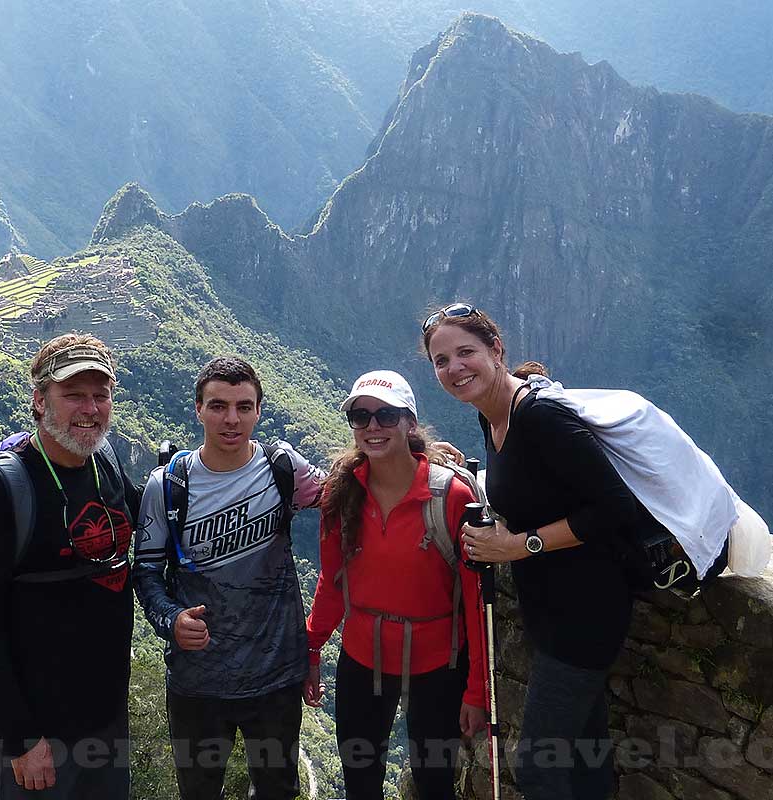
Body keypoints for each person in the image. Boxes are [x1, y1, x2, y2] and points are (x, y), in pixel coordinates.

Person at [422, 303, 669, 800]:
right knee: (583, 756)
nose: (454, 368)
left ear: (496, 350)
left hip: (586, 615)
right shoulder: (491, 419)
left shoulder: (539, 416)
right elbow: (532, 489)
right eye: (441, 360)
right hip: (551, 613)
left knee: (538, 768)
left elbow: (615, 506)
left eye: (465, 352)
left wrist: (519, 545)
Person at [0, 333, 139, 800]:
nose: (90, 408)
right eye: (73, 394)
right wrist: (18, 737)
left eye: (101, 395)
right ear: (39, 401)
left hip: (106, 721)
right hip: (39, 735)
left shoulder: (107, 464)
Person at [132, 356, 325, 800]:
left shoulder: (283, 469)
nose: (232, 419)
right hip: (198, 681)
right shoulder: (167, 486)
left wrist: (422, 455)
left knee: (277, 790)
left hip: (275, 676)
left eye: (244, 406)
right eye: (218, 406)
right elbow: (145, 571)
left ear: (259, 410)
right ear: (198, 409)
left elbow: (352, 489)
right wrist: (172, 620)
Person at [304, 370, 489, 800]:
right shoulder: (342, 492)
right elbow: (333, 583)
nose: (373, 426)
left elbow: (476, 602)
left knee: (435, 783)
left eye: (387, 416)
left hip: (440, 665)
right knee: (361, 784)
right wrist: (312, 648)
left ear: (410, 423)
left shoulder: (452, 496)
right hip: (361, 658)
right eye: (361, 416)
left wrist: (477, 689)